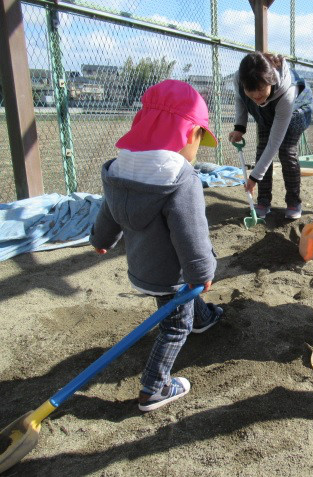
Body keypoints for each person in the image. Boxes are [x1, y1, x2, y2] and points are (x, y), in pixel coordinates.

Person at [90, 80, 223, 412]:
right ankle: (155, 387)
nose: (197, 150)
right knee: (175, 324)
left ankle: (203, 318)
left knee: (184, 302)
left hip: (140, 265)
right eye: (198, 139)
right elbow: (190, 233)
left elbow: (108, 209)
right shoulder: (181, 179)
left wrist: (100, 239)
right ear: (188, 134)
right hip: (170, 274)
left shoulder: (121, 168)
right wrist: (203, 272)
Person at [229, 51, 313, 220]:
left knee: (286, 151)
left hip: (296, 109)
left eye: (260, 90)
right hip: (266, 111)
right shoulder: (240, 79)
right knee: (261, 151)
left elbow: (274, 143)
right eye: (250, 91)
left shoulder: (287, 91)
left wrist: (253, 177)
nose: (256, 96)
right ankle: (263, 201)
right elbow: (240, 99)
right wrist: (240, 127)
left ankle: (293, 201)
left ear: (271, 81)